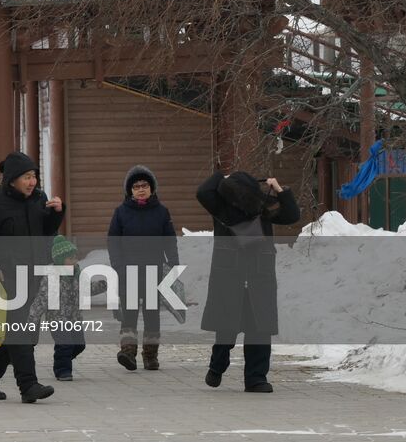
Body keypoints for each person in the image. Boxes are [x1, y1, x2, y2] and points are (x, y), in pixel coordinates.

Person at [195, 170, 300, 393]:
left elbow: (291, 216)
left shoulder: (259, 209)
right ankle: (224, 368)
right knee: (229, 327)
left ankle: (252, 377)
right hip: (233, 277)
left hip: (257, 277)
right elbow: (202, 192)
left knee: (256, 328)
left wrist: (221, 176)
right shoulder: (227, 208)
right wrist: (279, 189)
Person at [0, 151, 65, 404]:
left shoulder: (39, 199)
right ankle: (28, 385)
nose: (32, 182)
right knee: (20, 331)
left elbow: (46, 232)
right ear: (12, 179)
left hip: (34, 274)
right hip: (9, 277)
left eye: (34, 176)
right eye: (26, 177)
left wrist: (57, 213)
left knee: (18, 332)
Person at [107, 165, 179, 371]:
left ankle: (150, 356)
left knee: (151, 313)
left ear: (152, 188)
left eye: (144, 185)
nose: (140, 189)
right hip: (128, 271)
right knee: (129, 313)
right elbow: (113, 242)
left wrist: (173, 263)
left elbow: (169, 240)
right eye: (136, 186)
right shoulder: (121, 212)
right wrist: (118, 266)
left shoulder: (161, 212)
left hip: (153, 270)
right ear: (130, 190)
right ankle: (128, 353)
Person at [27, 235, 86, 381]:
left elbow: (86, 289)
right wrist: (33, 318)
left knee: (79, 345)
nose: (74, 261)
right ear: (60, 260)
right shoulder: (51, 277)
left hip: (74, 318)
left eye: (75, 258)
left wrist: (103, 286)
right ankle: (62, 371)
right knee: (65, 344)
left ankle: (62, 358)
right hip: (57, 318)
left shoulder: (77, 275)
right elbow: (42, 298)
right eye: (70, 258)